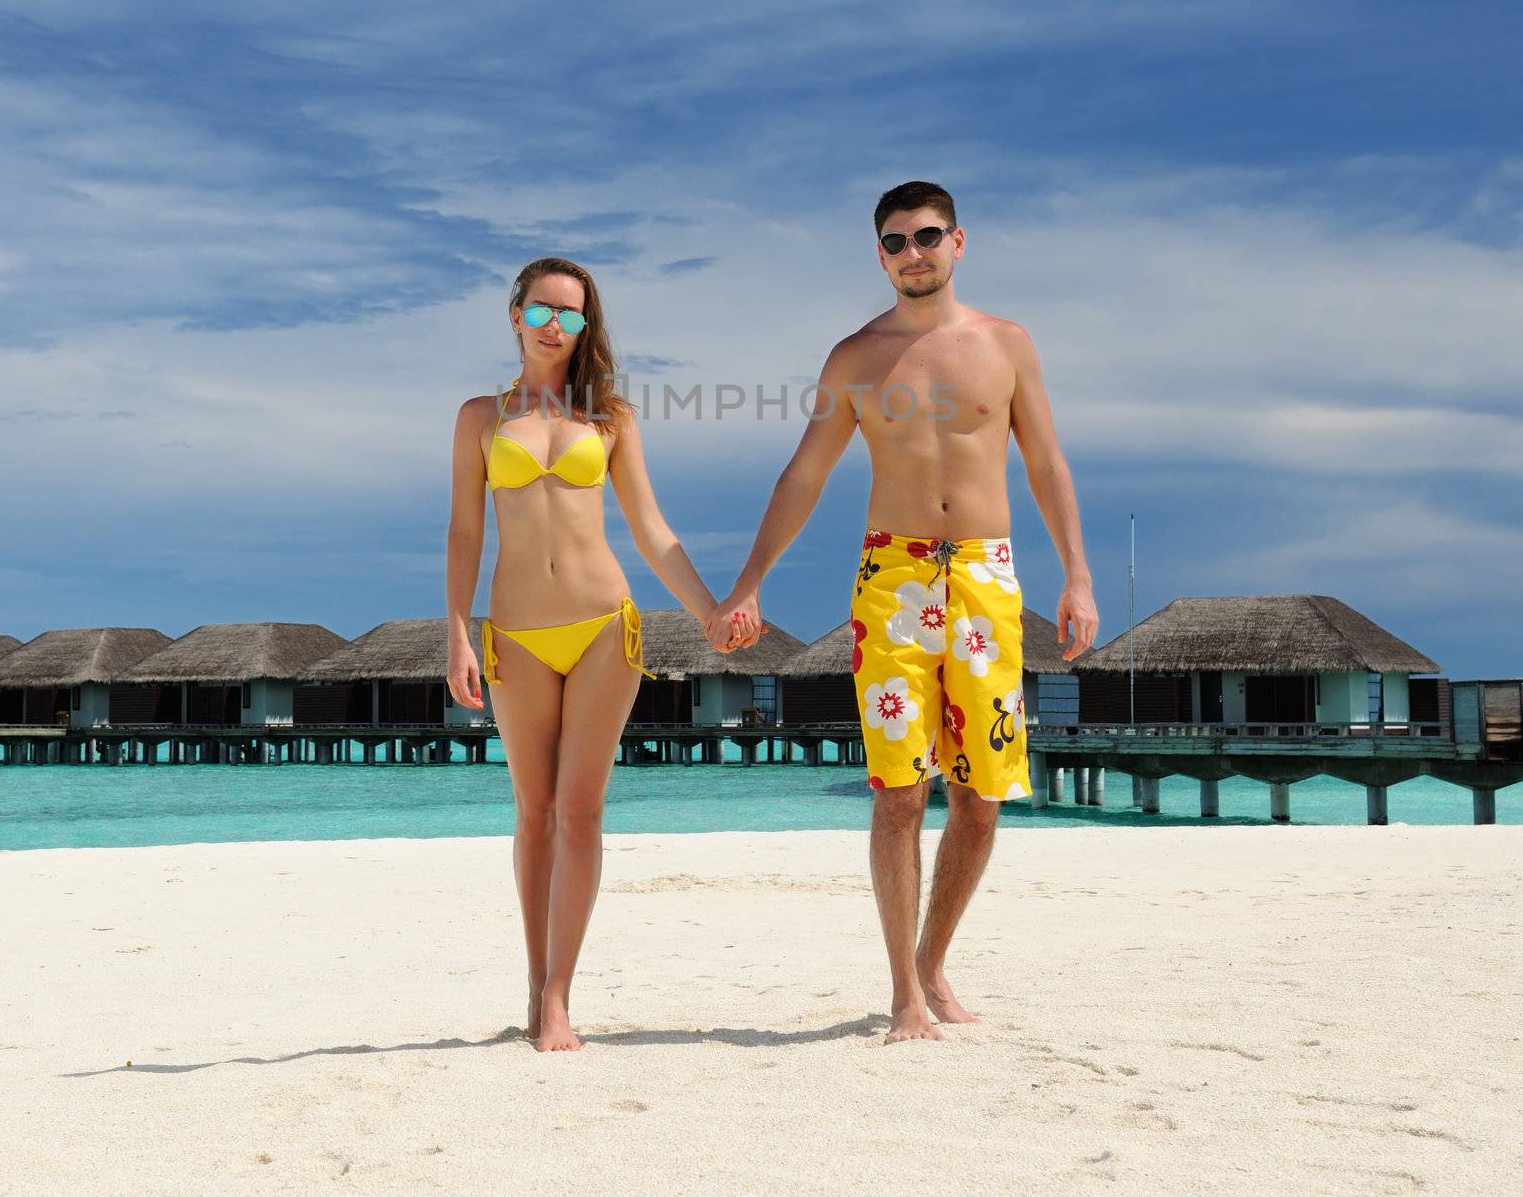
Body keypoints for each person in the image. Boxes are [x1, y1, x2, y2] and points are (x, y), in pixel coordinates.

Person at [706, 180, 1099, 1043]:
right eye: (895, 242)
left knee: (983, 799)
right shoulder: (855, 357)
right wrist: (749, 583)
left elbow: (1046, 465)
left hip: (989, 581)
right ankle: (904, 994)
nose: (912, 253)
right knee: (897, 795)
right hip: (894, 579)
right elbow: (803, 475)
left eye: (927, 236)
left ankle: (932, 961)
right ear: (879, 254)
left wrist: (1077, 576)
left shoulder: (1008, 345)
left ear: (960, 241)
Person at [446, 256, 736, 1052]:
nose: (554, 326)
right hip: (516, 633)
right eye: (542, 310)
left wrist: (711, 610)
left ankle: (560, 998)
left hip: (607, 626)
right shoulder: (479, 416)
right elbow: (466, 530)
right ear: (515, 314)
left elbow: (650, 529)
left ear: (585, 327)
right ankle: (534, 987)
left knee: (579, 814)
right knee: (532, 816)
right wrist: (455, 632)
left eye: (572, 316)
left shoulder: (610, 417)